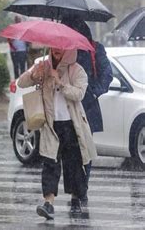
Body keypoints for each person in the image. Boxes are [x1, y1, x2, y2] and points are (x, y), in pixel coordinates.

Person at [17, 47, 97, 219]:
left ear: (69, 50)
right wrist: (34, 75)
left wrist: (60, 81)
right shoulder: (43, 66)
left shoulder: (76, 70)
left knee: (74, 164)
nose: (57, 51)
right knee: (50, 163)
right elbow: (21, 83)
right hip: (51, 125)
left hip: (72, 124)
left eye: (62, 48)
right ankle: (49, 203)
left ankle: (76, 200)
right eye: (54, 47)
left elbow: (79, 94)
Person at [61, 16, 113, 206]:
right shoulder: (63, 50)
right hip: (65, 105)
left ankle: (80, 191)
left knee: (83, 150)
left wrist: (92, 93)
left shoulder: (94, 49)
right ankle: (76, 191)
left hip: (86, 107)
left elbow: (107, 75)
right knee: (70, 151)